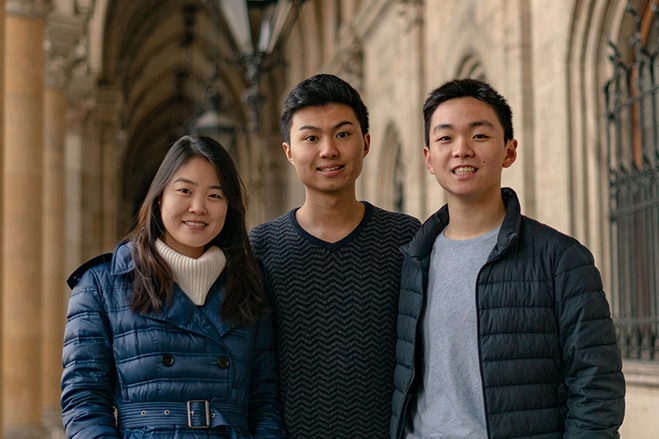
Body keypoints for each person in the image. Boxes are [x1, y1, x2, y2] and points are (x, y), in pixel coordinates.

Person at [391, 78, 626, 439]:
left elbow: (596, 386)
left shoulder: (562, 260)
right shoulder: (412, 260)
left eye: (479, 136)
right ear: (428, 159)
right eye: (445, 138)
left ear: (509, 150)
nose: (462, 149)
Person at [61, 135, 284, 438]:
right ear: (159, 197)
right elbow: (84, 401)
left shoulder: (250, 284)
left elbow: (265, 402)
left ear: (230, 207)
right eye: (184, 191)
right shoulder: (101, 284)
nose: (198, 207)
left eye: (215, 196)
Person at [249, 73, 420, 438]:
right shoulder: (260, 248)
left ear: (366, 142)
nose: (328, 150)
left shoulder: (406, 238)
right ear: (289, 152)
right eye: (311, 137)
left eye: (343, 134)